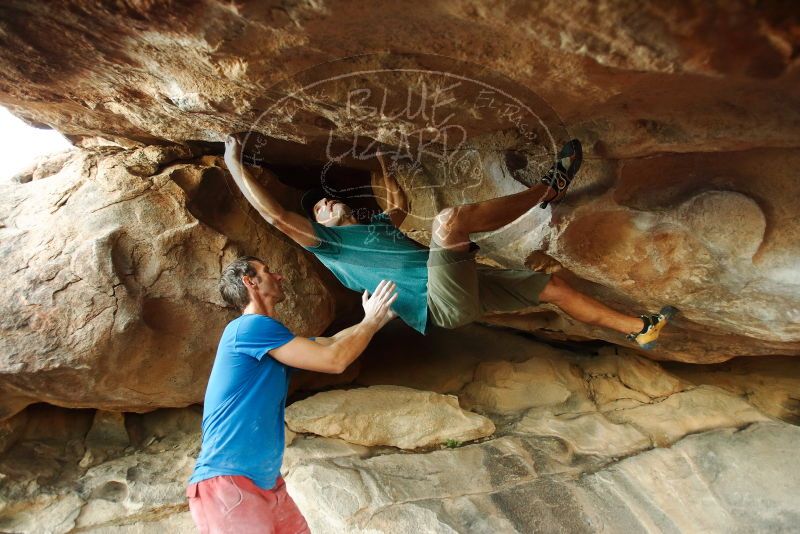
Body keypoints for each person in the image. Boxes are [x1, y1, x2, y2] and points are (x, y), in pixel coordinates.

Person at [223, 134, 675, 350]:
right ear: (317, 227)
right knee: (449, 221)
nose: (324, 203)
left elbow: (396, 199)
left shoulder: (376, 226)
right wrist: (234, 163)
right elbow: (274, 215)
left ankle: (640, 328)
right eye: (317, 208)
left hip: (462, 286)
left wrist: (379, 154)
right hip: (439, 304)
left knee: (552, 289)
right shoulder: (329, 246)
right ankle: (548, 189)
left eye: (327, 201)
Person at [186, 256, 398, 533]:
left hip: (264, 482)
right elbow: (334, 361)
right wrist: (370, 322)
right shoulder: (249, 327)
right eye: (267, 271)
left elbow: (332, 342)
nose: (279, 276)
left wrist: (377, 317)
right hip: (227, 480)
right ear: (249, 282)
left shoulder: (270, 336)